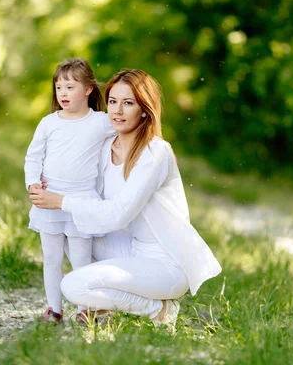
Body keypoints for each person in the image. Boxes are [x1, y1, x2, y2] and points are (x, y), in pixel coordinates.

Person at [29, 69, 221, 326]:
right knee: (68, 231)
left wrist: (61, 201)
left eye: (128, 103)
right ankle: (110, 305)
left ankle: (156, 308)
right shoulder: (106, 146)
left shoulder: (155, 153)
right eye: (113, 102)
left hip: (166, 263)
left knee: (73, 286)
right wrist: (43, 181)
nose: (117, 111)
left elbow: (117, 214)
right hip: (131, 248)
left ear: (144, 109)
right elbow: (79, 175)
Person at [24, 58, 113, 323]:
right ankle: (54, 308)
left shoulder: (100, 121)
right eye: (59, 87)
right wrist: (32, 183)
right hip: (47, 202)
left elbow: (128, 127)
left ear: (87, 89)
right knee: (51, 259)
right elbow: (33, 157)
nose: (63, 93)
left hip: (80, 200)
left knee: (80, 258)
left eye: (70, 87)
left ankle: (84, 308)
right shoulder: (49, 123)